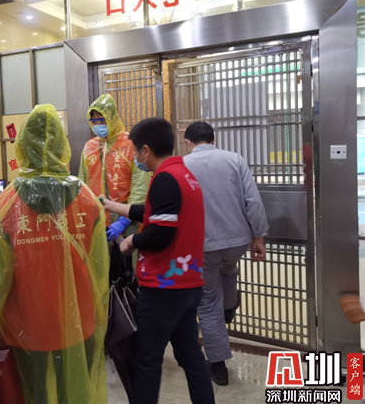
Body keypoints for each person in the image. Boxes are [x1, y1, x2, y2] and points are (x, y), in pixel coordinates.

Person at [0, 104, 110, 404]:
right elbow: (99, 269)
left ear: (22, 145)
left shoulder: (6, 203)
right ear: (61, 145)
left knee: (35, 391)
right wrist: (97, 312)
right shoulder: (87, 198)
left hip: (27, 322)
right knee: (75, 389)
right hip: (79, 318)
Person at [102, 117, 215, 404]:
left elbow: (161, 233)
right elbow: (156, 211)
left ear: (146, 151)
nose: (135, 156)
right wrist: (115, 206)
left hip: (164, 287)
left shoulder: (164, 179)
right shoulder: (182, 174)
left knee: (147, 360)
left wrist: (131, 241)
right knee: (190, 356)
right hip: (187, 283)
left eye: (135, 150)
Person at [182, 121, 268, 386]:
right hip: (237, 241)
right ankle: (228, 309)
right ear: (213, 139)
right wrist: (258, 237)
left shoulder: (181, 165)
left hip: (203, 244)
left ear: (188, 143)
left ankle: (218, 366)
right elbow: (252, 200)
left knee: (208, 302)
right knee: (229, 271)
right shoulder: (234, 160)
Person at [78, 95, 149, 243]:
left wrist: (124, 220)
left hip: (128, 221)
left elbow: (140, 187)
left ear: (113, 119)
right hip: (96, 221)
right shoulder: (89, 147)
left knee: (126, 255)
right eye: (94, 121)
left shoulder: (130, 144)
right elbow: (82, 184)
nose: (98, 125)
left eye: (102, 120)